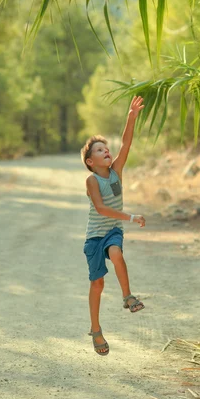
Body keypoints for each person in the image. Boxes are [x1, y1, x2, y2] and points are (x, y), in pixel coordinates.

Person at [80, 96, 146, 356]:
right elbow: (101, 209)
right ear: (90, 161)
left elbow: (127, 142)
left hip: (112, 232)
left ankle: (128, 296)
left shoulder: (117, 171)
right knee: (97, 284)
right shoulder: (92, 180)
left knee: (117, 253)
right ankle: (96, 330)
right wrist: (130, 216)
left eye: (106, 148)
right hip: (94, 237)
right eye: (99, 150)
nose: (105, 151)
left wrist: (131, 117)